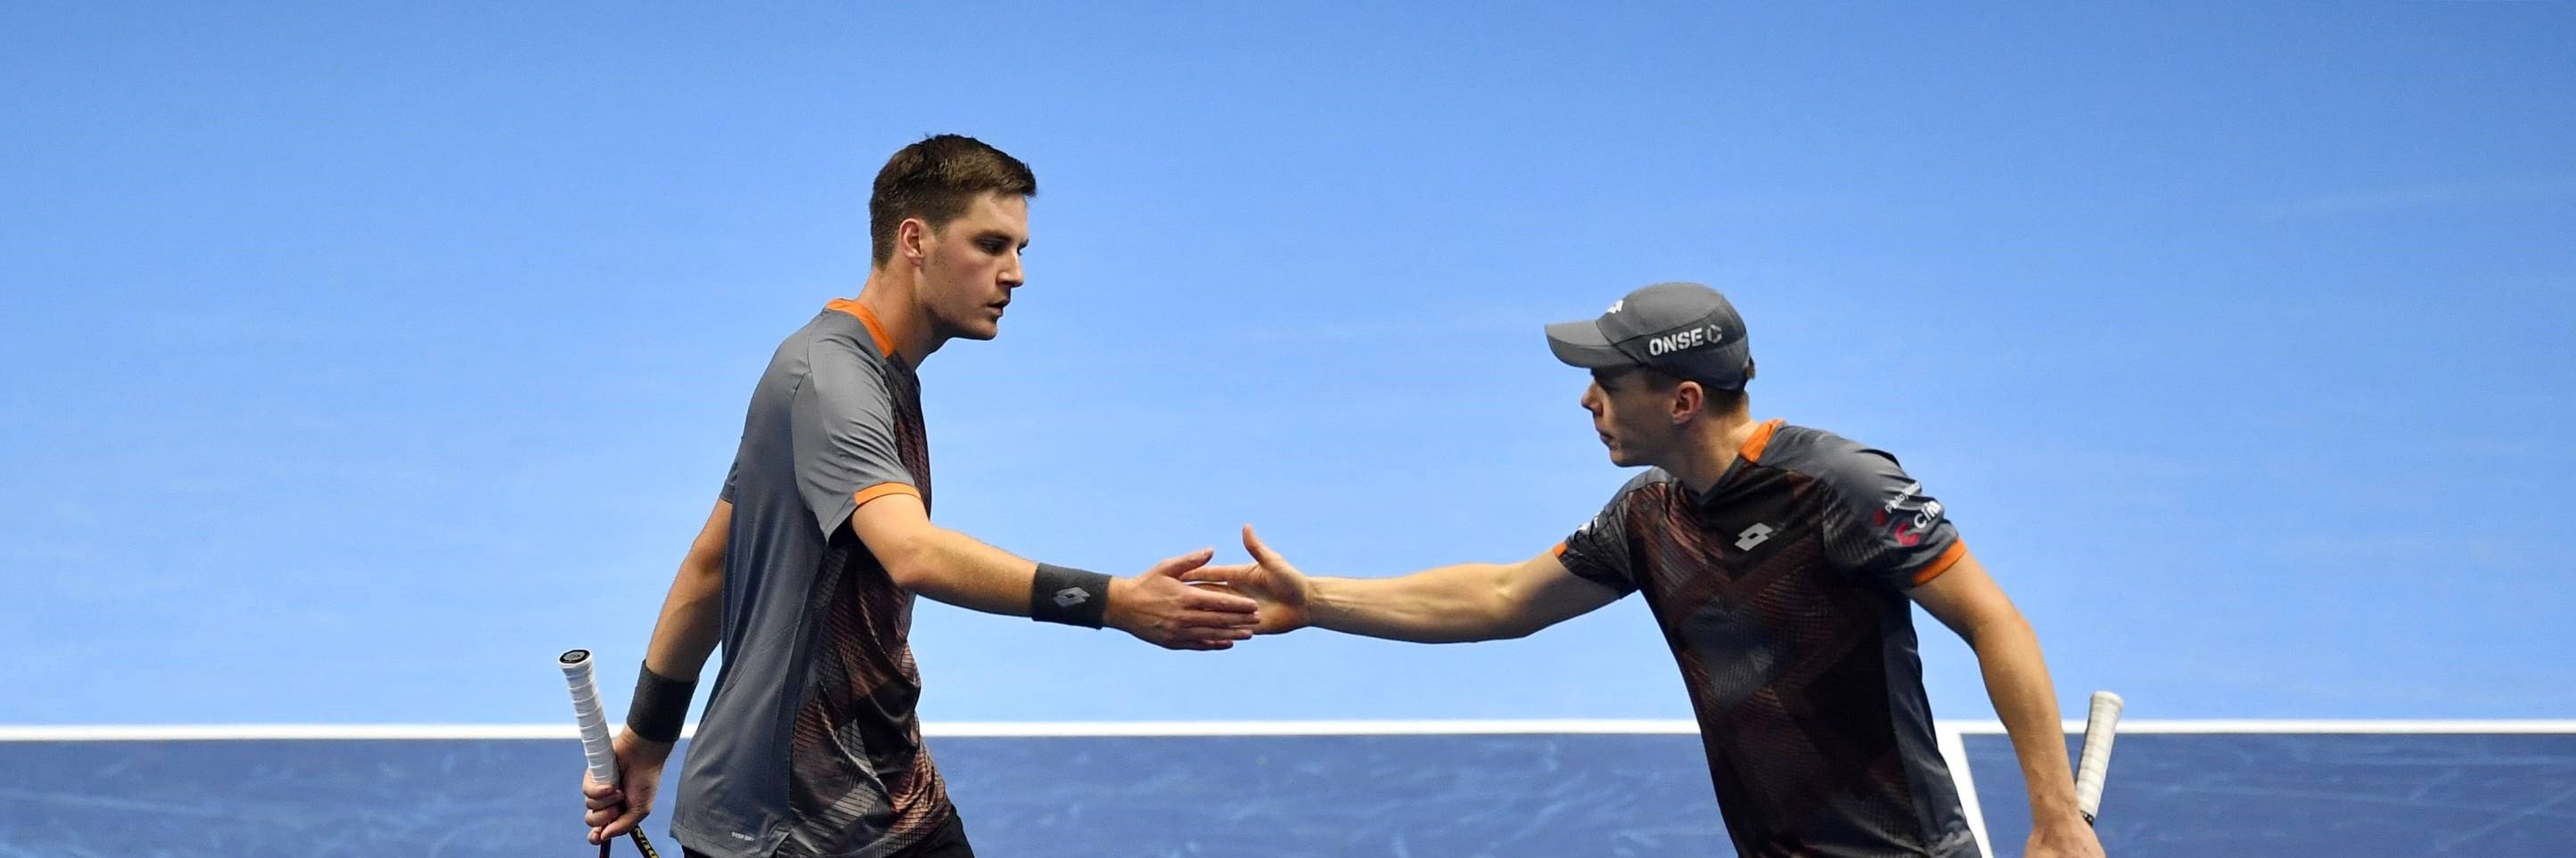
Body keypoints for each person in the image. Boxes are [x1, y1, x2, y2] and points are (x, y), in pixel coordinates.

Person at [1190, 282, 2108, 858]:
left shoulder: (1832, 484)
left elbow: (1995, 623)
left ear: (1681, 399)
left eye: (1608, 382)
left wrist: (2055, 817)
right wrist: (1315, 601)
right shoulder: (1648, 516)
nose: (1586, 400)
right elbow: (1503, 598)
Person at [580, 135, 1260, 858]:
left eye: (1020, 248)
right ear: (915, 239)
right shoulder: (830, 382)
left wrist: (648, 738)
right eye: (991, 245)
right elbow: (910, 551)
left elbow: (713, 563)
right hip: (790, 829)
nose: (1016, 274)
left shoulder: (856, 369)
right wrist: (1114, 601)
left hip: (884, 792)